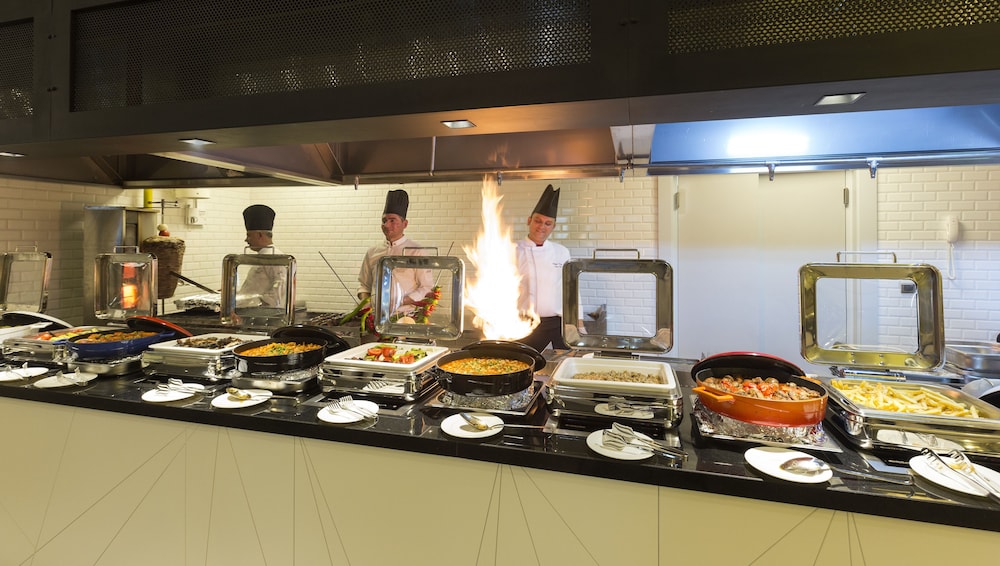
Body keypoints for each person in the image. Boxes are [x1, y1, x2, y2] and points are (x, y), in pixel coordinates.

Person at [357, 189, 433, 313]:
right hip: (375, 317)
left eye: (392, 220)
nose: (386, 225)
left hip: (406, 316)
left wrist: (400, 301)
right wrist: (367, 303)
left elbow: (426, 287)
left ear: (405, 224)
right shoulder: (372, 252)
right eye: (384, 221)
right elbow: (364, 286)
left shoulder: (417, 252)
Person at [516, 184, 571, 352]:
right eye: (538, 221)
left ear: (553, 226)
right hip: (524, 322)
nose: (542, 227)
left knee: (564, 361)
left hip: (557, 323)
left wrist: (578, 322)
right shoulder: (512, 250)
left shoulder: (561, 252)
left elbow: (570, 289)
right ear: (529, 220)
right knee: (522, 361)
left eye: (548, 223)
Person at [240, 204, 287, 308]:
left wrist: (257, 306)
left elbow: (279, 292)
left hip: (262, 314)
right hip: (249, 312)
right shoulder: (262, 256)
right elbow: (253, 290)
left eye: (249, 235)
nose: (246, 240)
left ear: (260, 235)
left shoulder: (275, 258)